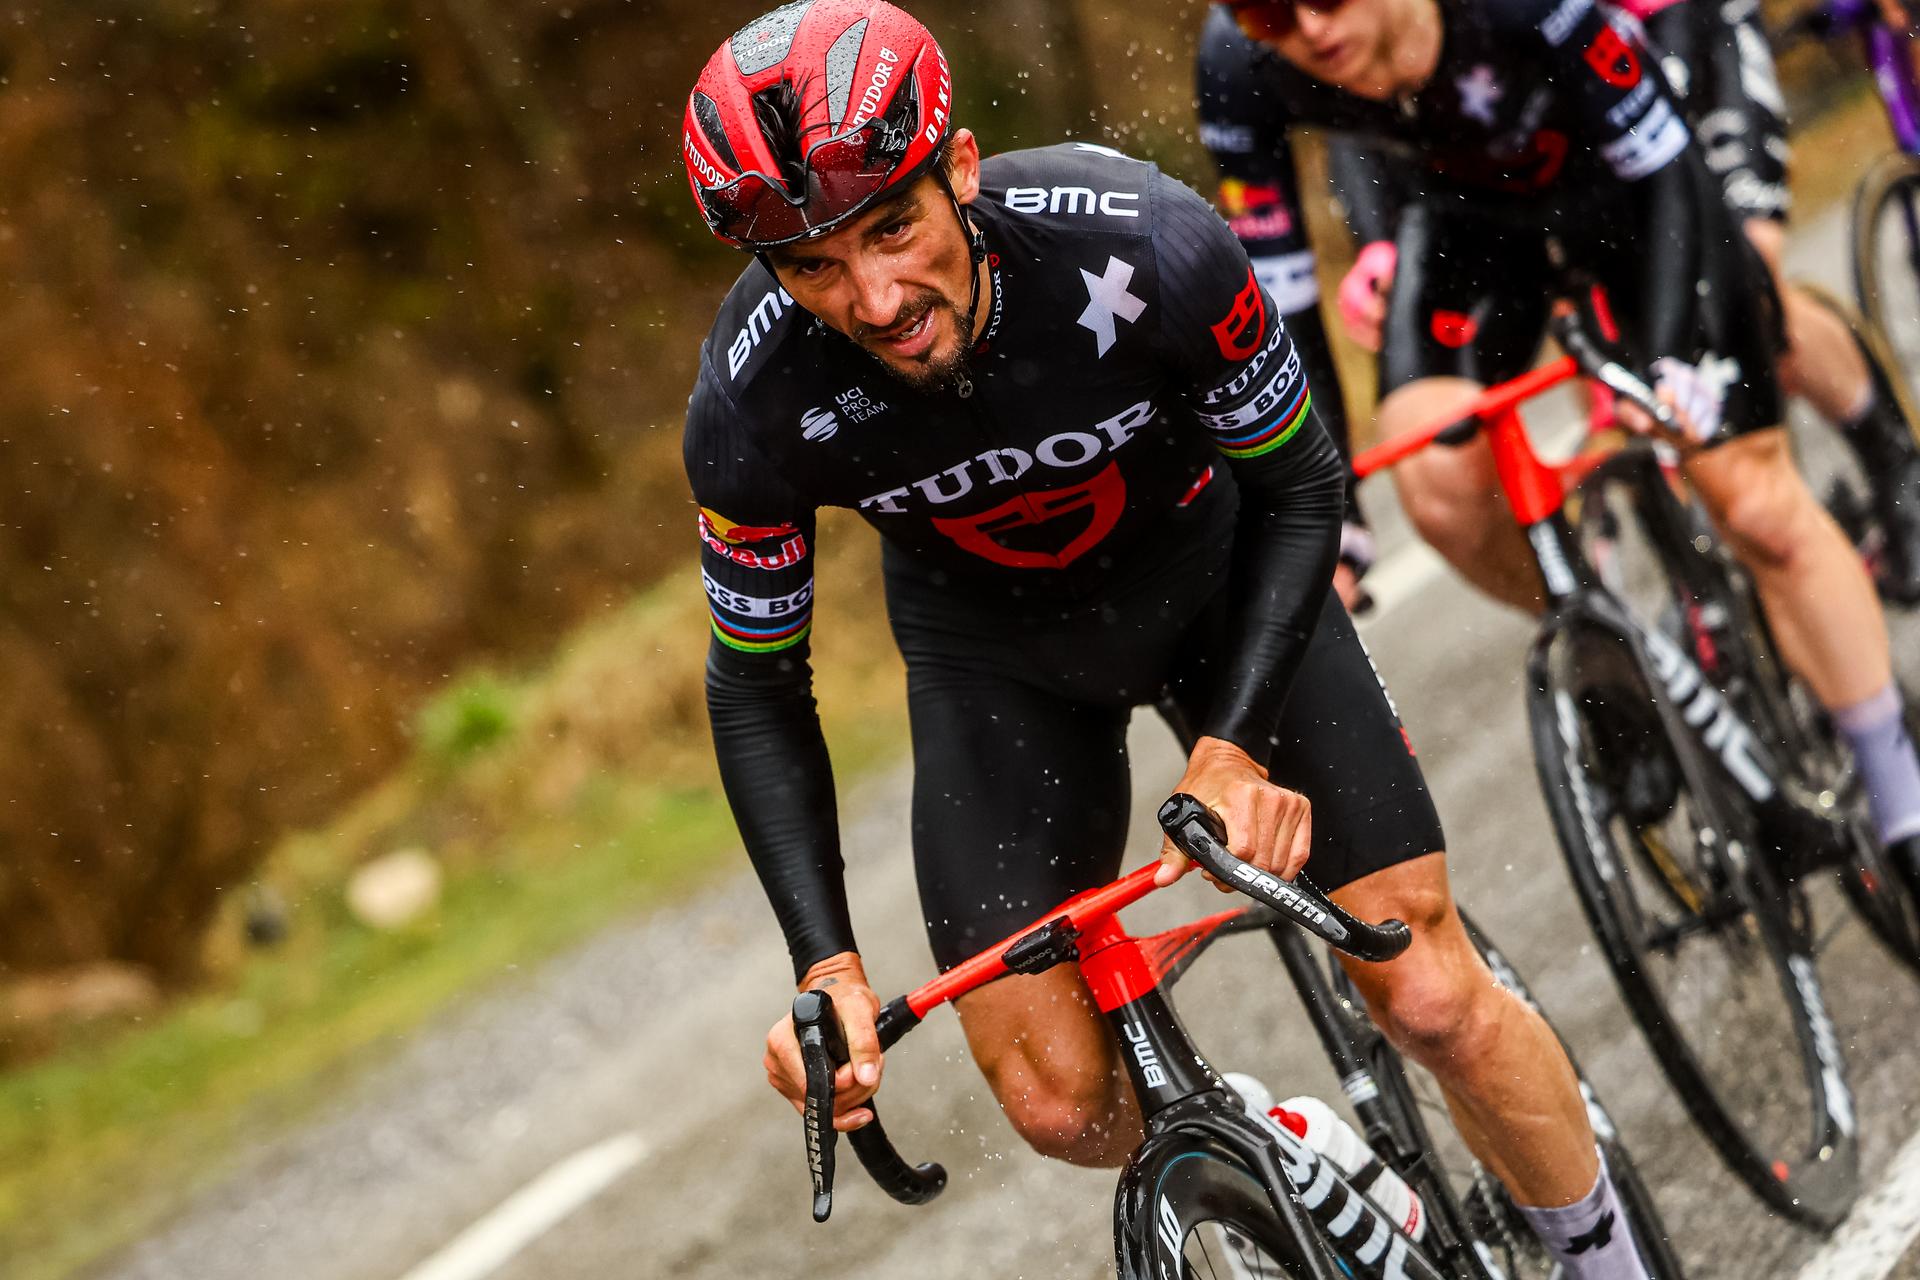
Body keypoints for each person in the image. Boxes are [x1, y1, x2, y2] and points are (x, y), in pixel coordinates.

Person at [682, 2, 1655, 1275]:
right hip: (997, 661)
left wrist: (1236, 746)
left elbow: (1304, 483)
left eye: (892, 229)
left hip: (1219, 584)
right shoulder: (750, 403)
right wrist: (828, 966)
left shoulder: (1143, 238)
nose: (874, 298)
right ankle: (1289, 1152)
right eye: (812, 267)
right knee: (1056, 1102)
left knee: (1426, 990)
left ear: (959, 168)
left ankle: (1603, 1257)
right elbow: (757, 687)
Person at [1192, 0, 1920, 881]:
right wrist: (1331, 515)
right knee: (1434, 476)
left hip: (1633, 190)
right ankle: (1618, 656)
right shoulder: (1238, 65)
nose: (1308, 29)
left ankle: (1902, 802)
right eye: (1271, 13)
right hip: (1471, 222)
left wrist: (1667, 361)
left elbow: (1663, 164)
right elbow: (1282, 304)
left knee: (1752, 501)